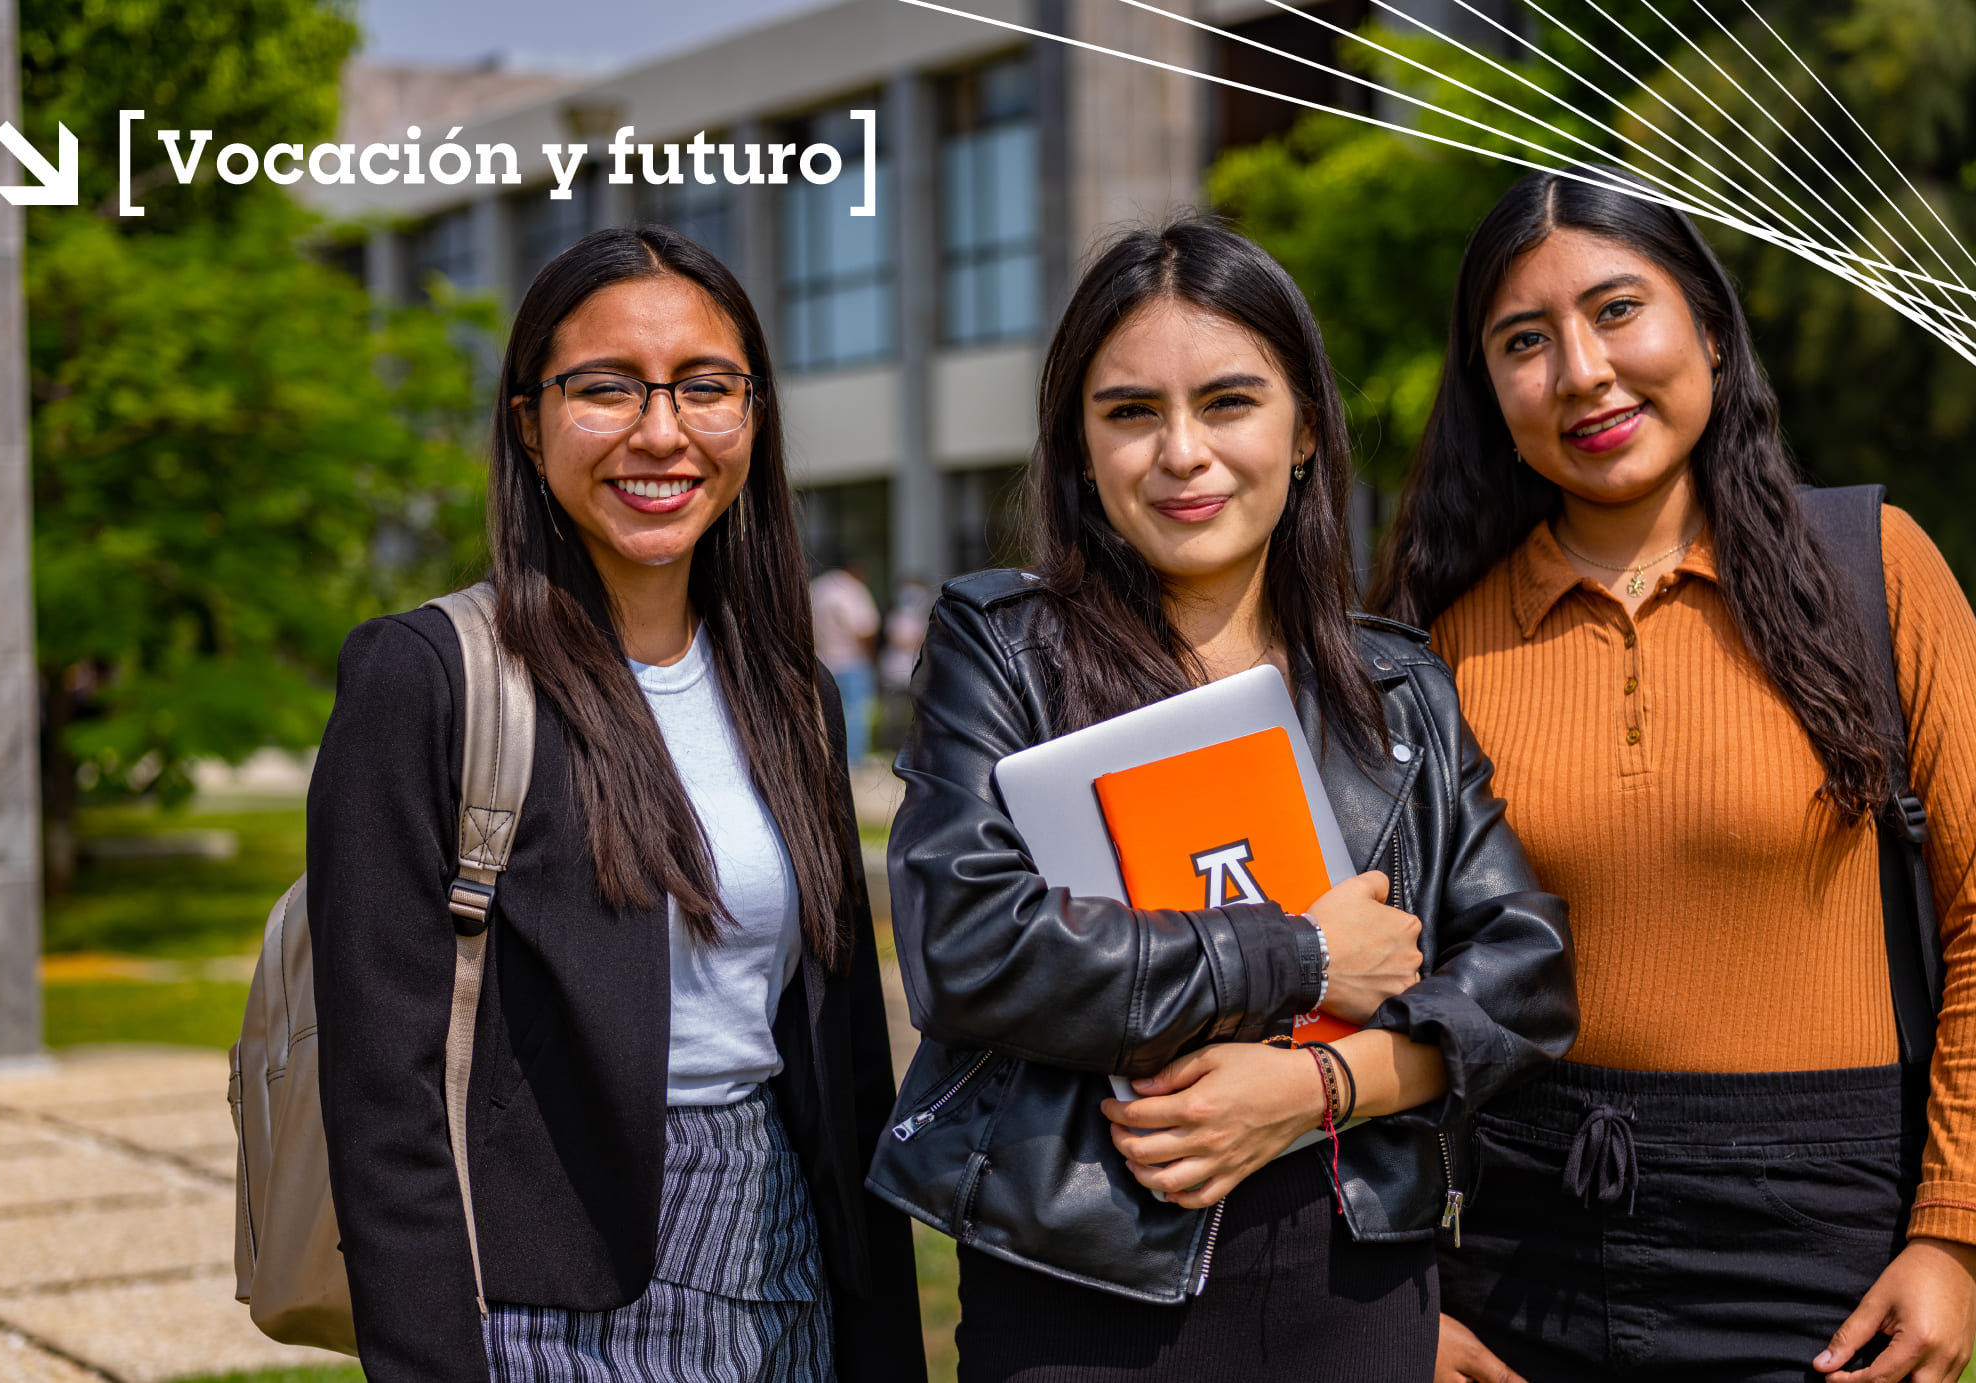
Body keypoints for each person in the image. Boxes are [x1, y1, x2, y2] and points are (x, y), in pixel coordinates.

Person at [1370, 170, 1976, 1383]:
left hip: (1824, 1261)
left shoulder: (1874, 572)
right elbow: (1376, 978)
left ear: (1706, 322)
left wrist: (1952, 1236)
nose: (1581, 371)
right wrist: (1395, 1302)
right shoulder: (1436, 642)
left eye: (1616, 309)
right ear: (1487, 386)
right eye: (1523, 341)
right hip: (1523, 1245)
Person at [868, 217, 1577, 1383]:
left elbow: (1526, 970)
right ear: (1079, 449)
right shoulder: (1003, 650)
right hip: (1082, 1280)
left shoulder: (1397, 685)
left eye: (1230, 403)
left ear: (1303, 430)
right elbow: (967, 945)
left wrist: (1315, 1084)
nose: (1181, 453)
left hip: (1355, 1278)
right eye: (1131, 412)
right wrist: (1297, 956)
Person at [307, 225, 925, 1383]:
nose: (661, 431)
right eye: (606, 389)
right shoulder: (429, 678)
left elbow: (842, 1053)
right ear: (527, 421)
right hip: (546, 1292)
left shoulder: (789, 689)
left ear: (753, 415)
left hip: (785, 1250)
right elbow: (381, 1090)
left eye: (705, 388)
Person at [811, 557, 881, 764]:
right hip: (852, 660)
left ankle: (827, 758)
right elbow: (865, 629)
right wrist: (872, 657)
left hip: (822, 661)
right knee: (856, 713)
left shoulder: (816, 588)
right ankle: (852, 762)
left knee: (824, 715)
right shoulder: (852, 589)